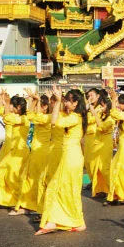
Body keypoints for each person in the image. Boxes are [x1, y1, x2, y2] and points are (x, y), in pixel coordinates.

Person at [36, 87, 88, 235]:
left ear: (76, 103)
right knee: (66, 189)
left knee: (61, 187)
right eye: (65, 101)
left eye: (68, 101)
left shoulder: (76, 117)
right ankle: (74, 222)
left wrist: (58, 101)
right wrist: (56, 102)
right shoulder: (73, 116)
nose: (66, 104)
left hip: (72, 156)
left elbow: (55, 122)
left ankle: (59, 221)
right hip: (69, 155)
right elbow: (54, 120)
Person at [0, 93, 30, 211]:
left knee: (13, 175)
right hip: (9, 148)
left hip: (19, 150)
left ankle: (18, 200)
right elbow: (0, 111)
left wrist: (6, 102)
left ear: (18, 107)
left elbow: (7, 117)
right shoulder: (13, 115)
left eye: (11, 105)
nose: (9, 107)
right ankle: (5, 199)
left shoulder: (23, 118)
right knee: (1, 171)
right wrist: (2, 100)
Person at [85, 89, 115, 200]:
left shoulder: (99, 108)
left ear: (98, 96)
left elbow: (92, 121)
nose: (90, 97)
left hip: (97, 137)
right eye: (88, 95)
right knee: (89, 164)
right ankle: (99, 187)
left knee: (101, 167)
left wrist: (93, 112)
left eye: (92, 95)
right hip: (88, 137)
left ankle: (110, 190)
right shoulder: (89, 107)